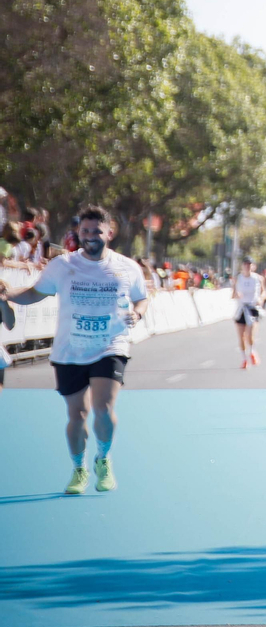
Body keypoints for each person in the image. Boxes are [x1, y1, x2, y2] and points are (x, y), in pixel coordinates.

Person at [0, 205, 149, 494]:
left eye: (96, 231)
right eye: (85, 232)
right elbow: (33, 293)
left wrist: (138, 314)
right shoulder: (63, 265)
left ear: (109, 232)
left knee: (103, 409)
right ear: (78, 234)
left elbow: (141, 299)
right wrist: (7, 294)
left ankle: (103, 459)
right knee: (77, 415)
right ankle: (79, 468)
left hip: (110, 345)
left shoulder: (127, 266)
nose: (90, 236)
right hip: (70, 350)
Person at [232, 257, 264, 368]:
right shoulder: (238, 278)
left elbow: (265, 292)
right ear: (242, 266)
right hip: (241, 308)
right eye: (245, 264)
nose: (247, 266)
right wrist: (237, 295)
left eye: (249, 264)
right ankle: (244, 359)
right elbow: (233, 294)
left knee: (250, 335)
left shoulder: (258, 278)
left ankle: (252, 352)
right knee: (241, 337)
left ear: (253, 266)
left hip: (252, 308)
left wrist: (261, 298)